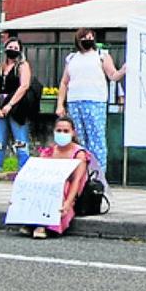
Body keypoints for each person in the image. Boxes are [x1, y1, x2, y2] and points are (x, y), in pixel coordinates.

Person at [56, 28, 125, 177]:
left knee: (96, 139)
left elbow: (113, 75)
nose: (88, 40)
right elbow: (64, 82)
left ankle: (98, 174)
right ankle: (80, 172)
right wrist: (60, 104)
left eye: (90, 37)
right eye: (85, 37)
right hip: (74, 101)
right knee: (78, 139)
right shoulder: (72, 58)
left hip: (95, 101)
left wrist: (123, 70)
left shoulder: (101, 56)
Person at [20, 116, 92, 239]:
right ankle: (31, 220)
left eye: (66, 131)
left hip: (70, 191)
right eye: (59, 131)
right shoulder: (49, 151)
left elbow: (76, 181)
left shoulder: (79, 154)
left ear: (73, 133)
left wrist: (68, 203)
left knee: (62, 186)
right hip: (50, 185)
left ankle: (45, 224)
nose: (62, 134)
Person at [0, 36, 33, 182]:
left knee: (20, 140)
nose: (13, 51)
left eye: (16, 49)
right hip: (0, 106)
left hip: (17, 106)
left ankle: (23, 171)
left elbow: (24, 86)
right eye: (10, 48)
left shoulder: (23, 66)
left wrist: (10, 105)